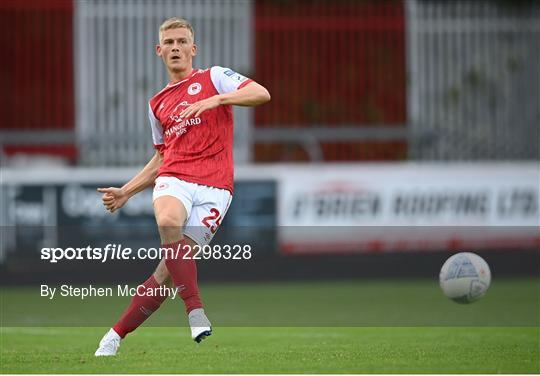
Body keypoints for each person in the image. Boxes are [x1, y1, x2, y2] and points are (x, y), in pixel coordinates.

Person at [94, 17, 270, 356]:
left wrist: (218, 100)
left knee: (165, 274)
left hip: (217, 188)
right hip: (175, 178)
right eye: (169, 43)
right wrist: (127, 190)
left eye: (181, 41)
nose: (176, 47)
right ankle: (195, 309)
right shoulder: (156, 103)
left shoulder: (214, 78)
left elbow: (261, 93)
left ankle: (113, 336)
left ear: (193, 48)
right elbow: (162, 157)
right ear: (159, 51)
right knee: (168, 222)